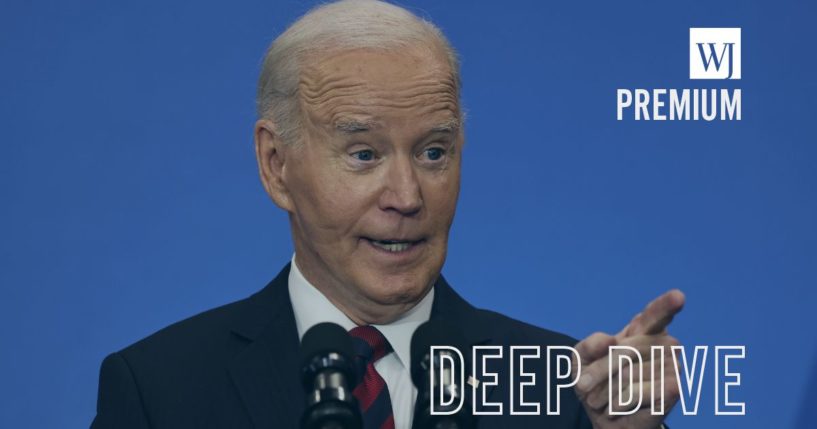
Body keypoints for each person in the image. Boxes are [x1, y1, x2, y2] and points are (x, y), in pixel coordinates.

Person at [91, 1, 684, 428]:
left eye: (433, 152)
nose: (406, 195)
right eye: (364, 154)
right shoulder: (161, 391)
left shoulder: (562, 392)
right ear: (276, 166)